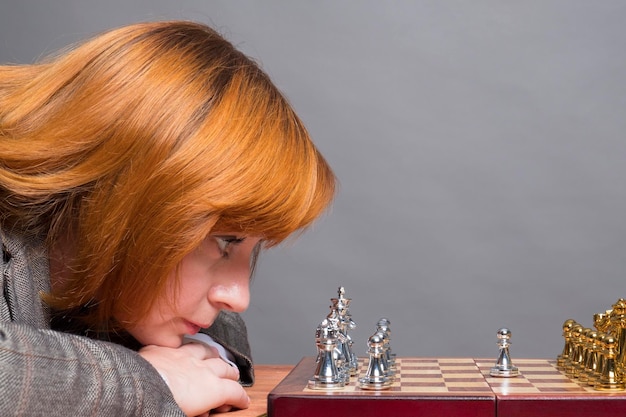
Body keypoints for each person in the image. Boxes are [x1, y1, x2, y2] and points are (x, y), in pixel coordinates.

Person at [0, 20, 335, 416]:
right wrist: (150, 382)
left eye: (251, 249)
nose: (238, 297)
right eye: (226, 242)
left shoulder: (96, 267)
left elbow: (217, 339)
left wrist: (179, 362)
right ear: (127, 200)